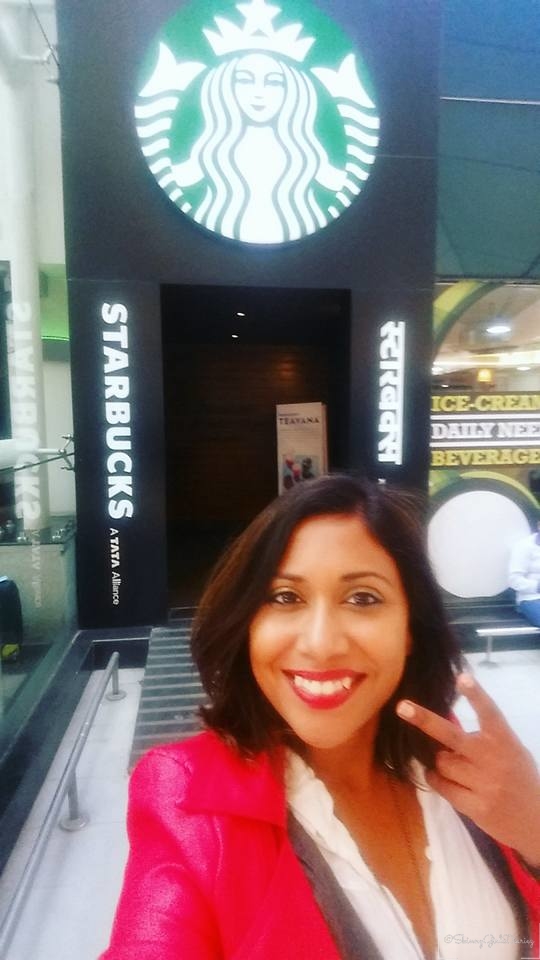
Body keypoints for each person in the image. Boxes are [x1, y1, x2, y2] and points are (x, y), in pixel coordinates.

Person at [100, 474, 540, 960]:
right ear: (247, 622)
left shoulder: (462, 765)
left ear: (410, 629)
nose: (321, 644)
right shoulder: (185, 797)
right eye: (285, 597)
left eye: (363, 598)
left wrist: (533, 829)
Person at [508, 520, 540, 627]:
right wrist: (537, 586)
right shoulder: (524, 546)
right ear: (539, 525)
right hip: (531, 598)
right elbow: (514, 580)